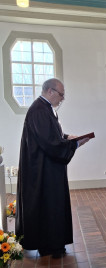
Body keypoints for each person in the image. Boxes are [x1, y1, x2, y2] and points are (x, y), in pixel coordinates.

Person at [15, 78, 90, 258]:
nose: (62, 98)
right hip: (42, 171)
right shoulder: (40, 109)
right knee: (48, 205)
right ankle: (49, 244)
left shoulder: (45, 108)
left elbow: (50, 135)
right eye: (61, 94)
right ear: (50, 91)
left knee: (50, 205)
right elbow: (50, 143)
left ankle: (50, 243)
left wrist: (66, 137)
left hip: (46, 169)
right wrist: (75, 144)